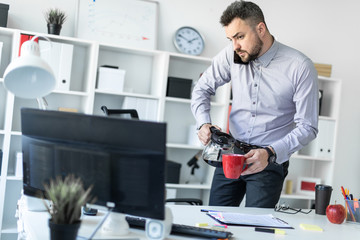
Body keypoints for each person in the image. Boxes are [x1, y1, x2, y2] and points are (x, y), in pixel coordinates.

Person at [191, 1, 319, 208]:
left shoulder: (300, 67)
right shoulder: (231, 54)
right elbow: (201, 89)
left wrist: (270, 153)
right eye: (231, 39)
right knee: (216, 220)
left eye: (240, 37)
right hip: (231, 153)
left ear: (260, 29)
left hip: (268, 160)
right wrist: (203, 123)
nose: (235, 46)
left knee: (257, 229)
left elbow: (308, 127)